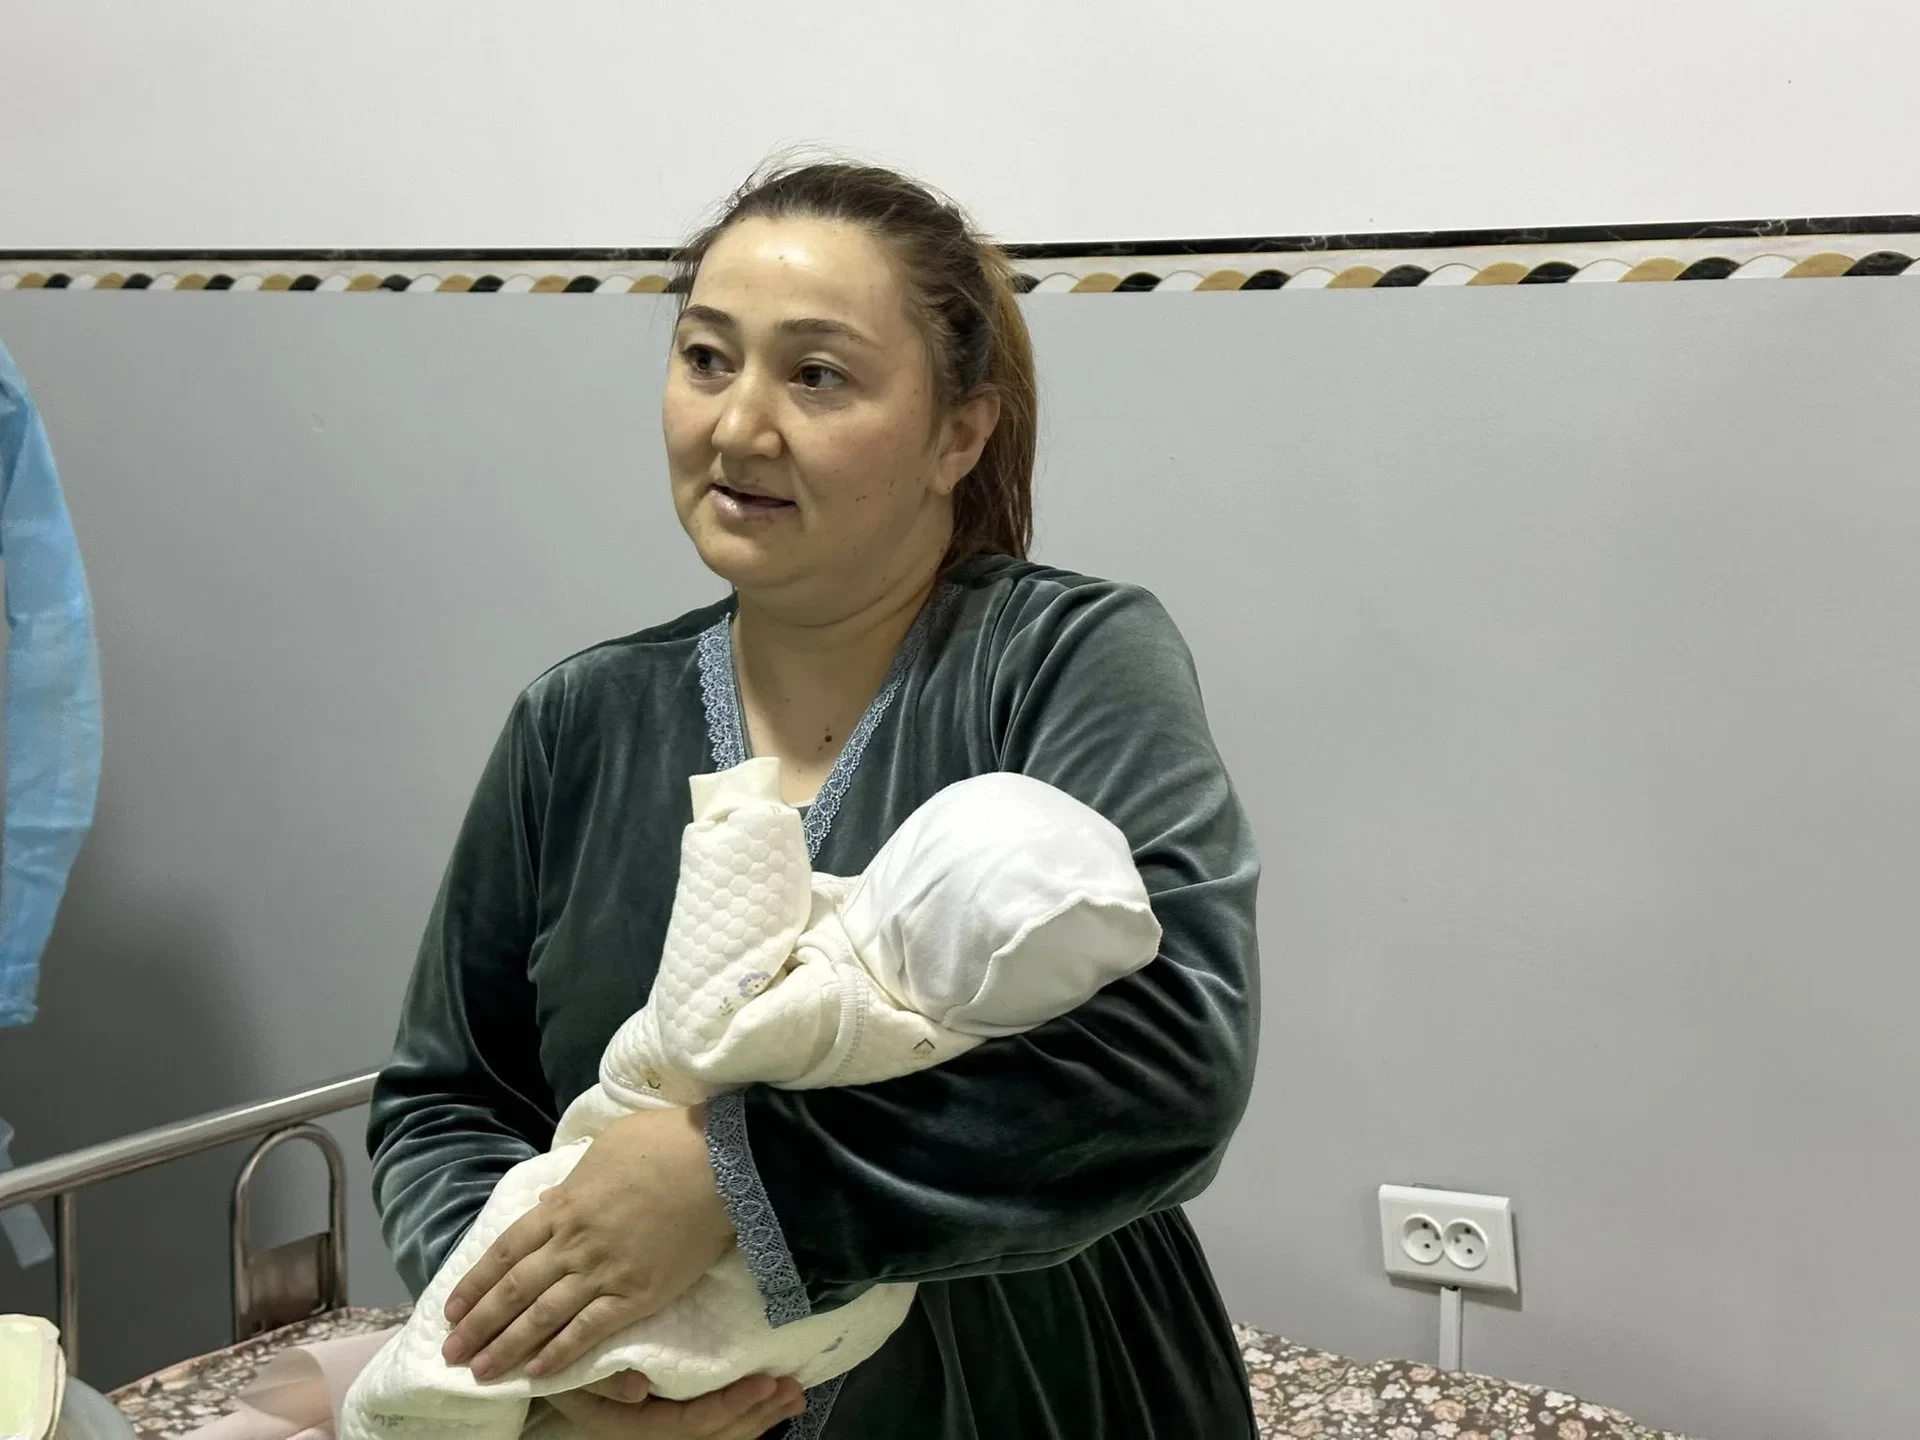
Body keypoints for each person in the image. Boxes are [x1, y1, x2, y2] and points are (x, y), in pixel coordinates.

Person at [367, 159, 1262, 1440]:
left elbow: (1172, 1064)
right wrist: (545, 1362)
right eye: (706, 359)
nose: (739, 426)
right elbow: (449, 1100)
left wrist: (735, 1184)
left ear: (960, 434)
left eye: (818, 375)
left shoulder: (1059, 663)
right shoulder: (580, 722)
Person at [344, 759, 1164, 1436]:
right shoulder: (571, 720)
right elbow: (447, 1101)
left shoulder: (841, 1005)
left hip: (1016, 1383)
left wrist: (743, 831)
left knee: (451, 1363)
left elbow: (708, 1028)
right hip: (800, 1332)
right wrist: (541, 1324)